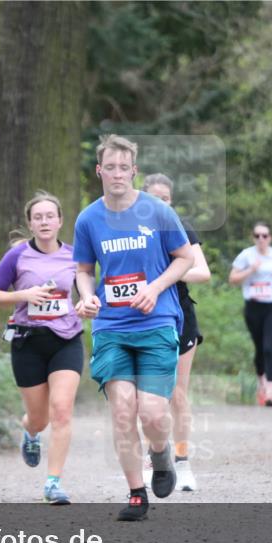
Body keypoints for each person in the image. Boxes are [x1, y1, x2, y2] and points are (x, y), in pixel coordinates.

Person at [72, 135, 193, 521]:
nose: (118, 174)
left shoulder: (157, 211)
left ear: (134, 171)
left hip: (157, 322)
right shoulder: (88, 219)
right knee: (123, 411)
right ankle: (136, 492)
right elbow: (83, 270)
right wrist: (87, 296)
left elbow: (185, 258)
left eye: (125, 167)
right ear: (99, 171)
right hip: (111, 327)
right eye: (111, 167)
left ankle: (161, 456)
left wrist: (156, 288)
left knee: (153, 415)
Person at [0, 191, 83, 505]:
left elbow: (86, 291)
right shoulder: (17, 256)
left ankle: (53, 483)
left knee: (62, 411)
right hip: (28, 341)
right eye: (38, 217)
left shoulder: (75, 255)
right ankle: (29, 431)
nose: (44, 222)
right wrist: (23, 296)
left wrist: (87, 305)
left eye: (49, 216)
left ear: (60, 221)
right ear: (30, 223)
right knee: (39, 418)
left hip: (66, 339)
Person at [142, 173, 211, 491]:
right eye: (153, 197)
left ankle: (182, 463)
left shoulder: (179, 228)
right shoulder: (131, 230)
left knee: (177, 395)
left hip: (180, 316)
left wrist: (170, 276)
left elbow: (202, 272)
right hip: (143, 317)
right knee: (148, 398)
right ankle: (152, 460)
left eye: (165, 198)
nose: (159, 203)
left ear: (171, 201)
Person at [229, 223, 272, 406]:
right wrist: (251, 270)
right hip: (253, 306)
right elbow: (232, 279)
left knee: (269, 347)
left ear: (270, 237)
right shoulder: (246, 255)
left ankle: (270, 391)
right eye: (257, 236)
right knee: (259, 348)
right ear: (253, 237)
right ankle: (261, 383)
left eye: (265, 235)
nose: (261, 239)